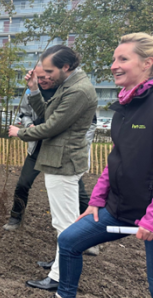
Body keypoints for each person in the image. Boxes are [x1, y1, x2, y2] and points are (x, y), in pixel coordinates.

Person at [55, 32, 153, 298]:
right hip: (119, 208)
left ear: (147, 63)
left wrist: (151, 218)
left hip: (152, 215)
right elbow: (116, 158)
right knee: (69, 241)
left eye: (123, 58)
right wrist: (97, 200)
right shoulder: (125, 105)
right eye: (113, 59)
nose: (114, 65)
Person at [8, 45, 97, 291]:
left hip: (63, 162)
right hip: (60, 159)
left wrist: (21, 132)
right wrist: (34, 90)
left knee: (64, 223)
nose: (45, 74)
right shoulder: (70, 86)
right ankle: (60, 263)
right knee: (63, 221)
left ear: (65, 67)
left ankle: (59, 277)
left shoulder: (78, 91)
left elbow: (51, 126)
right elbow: (47, 114)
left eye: (49, 70)